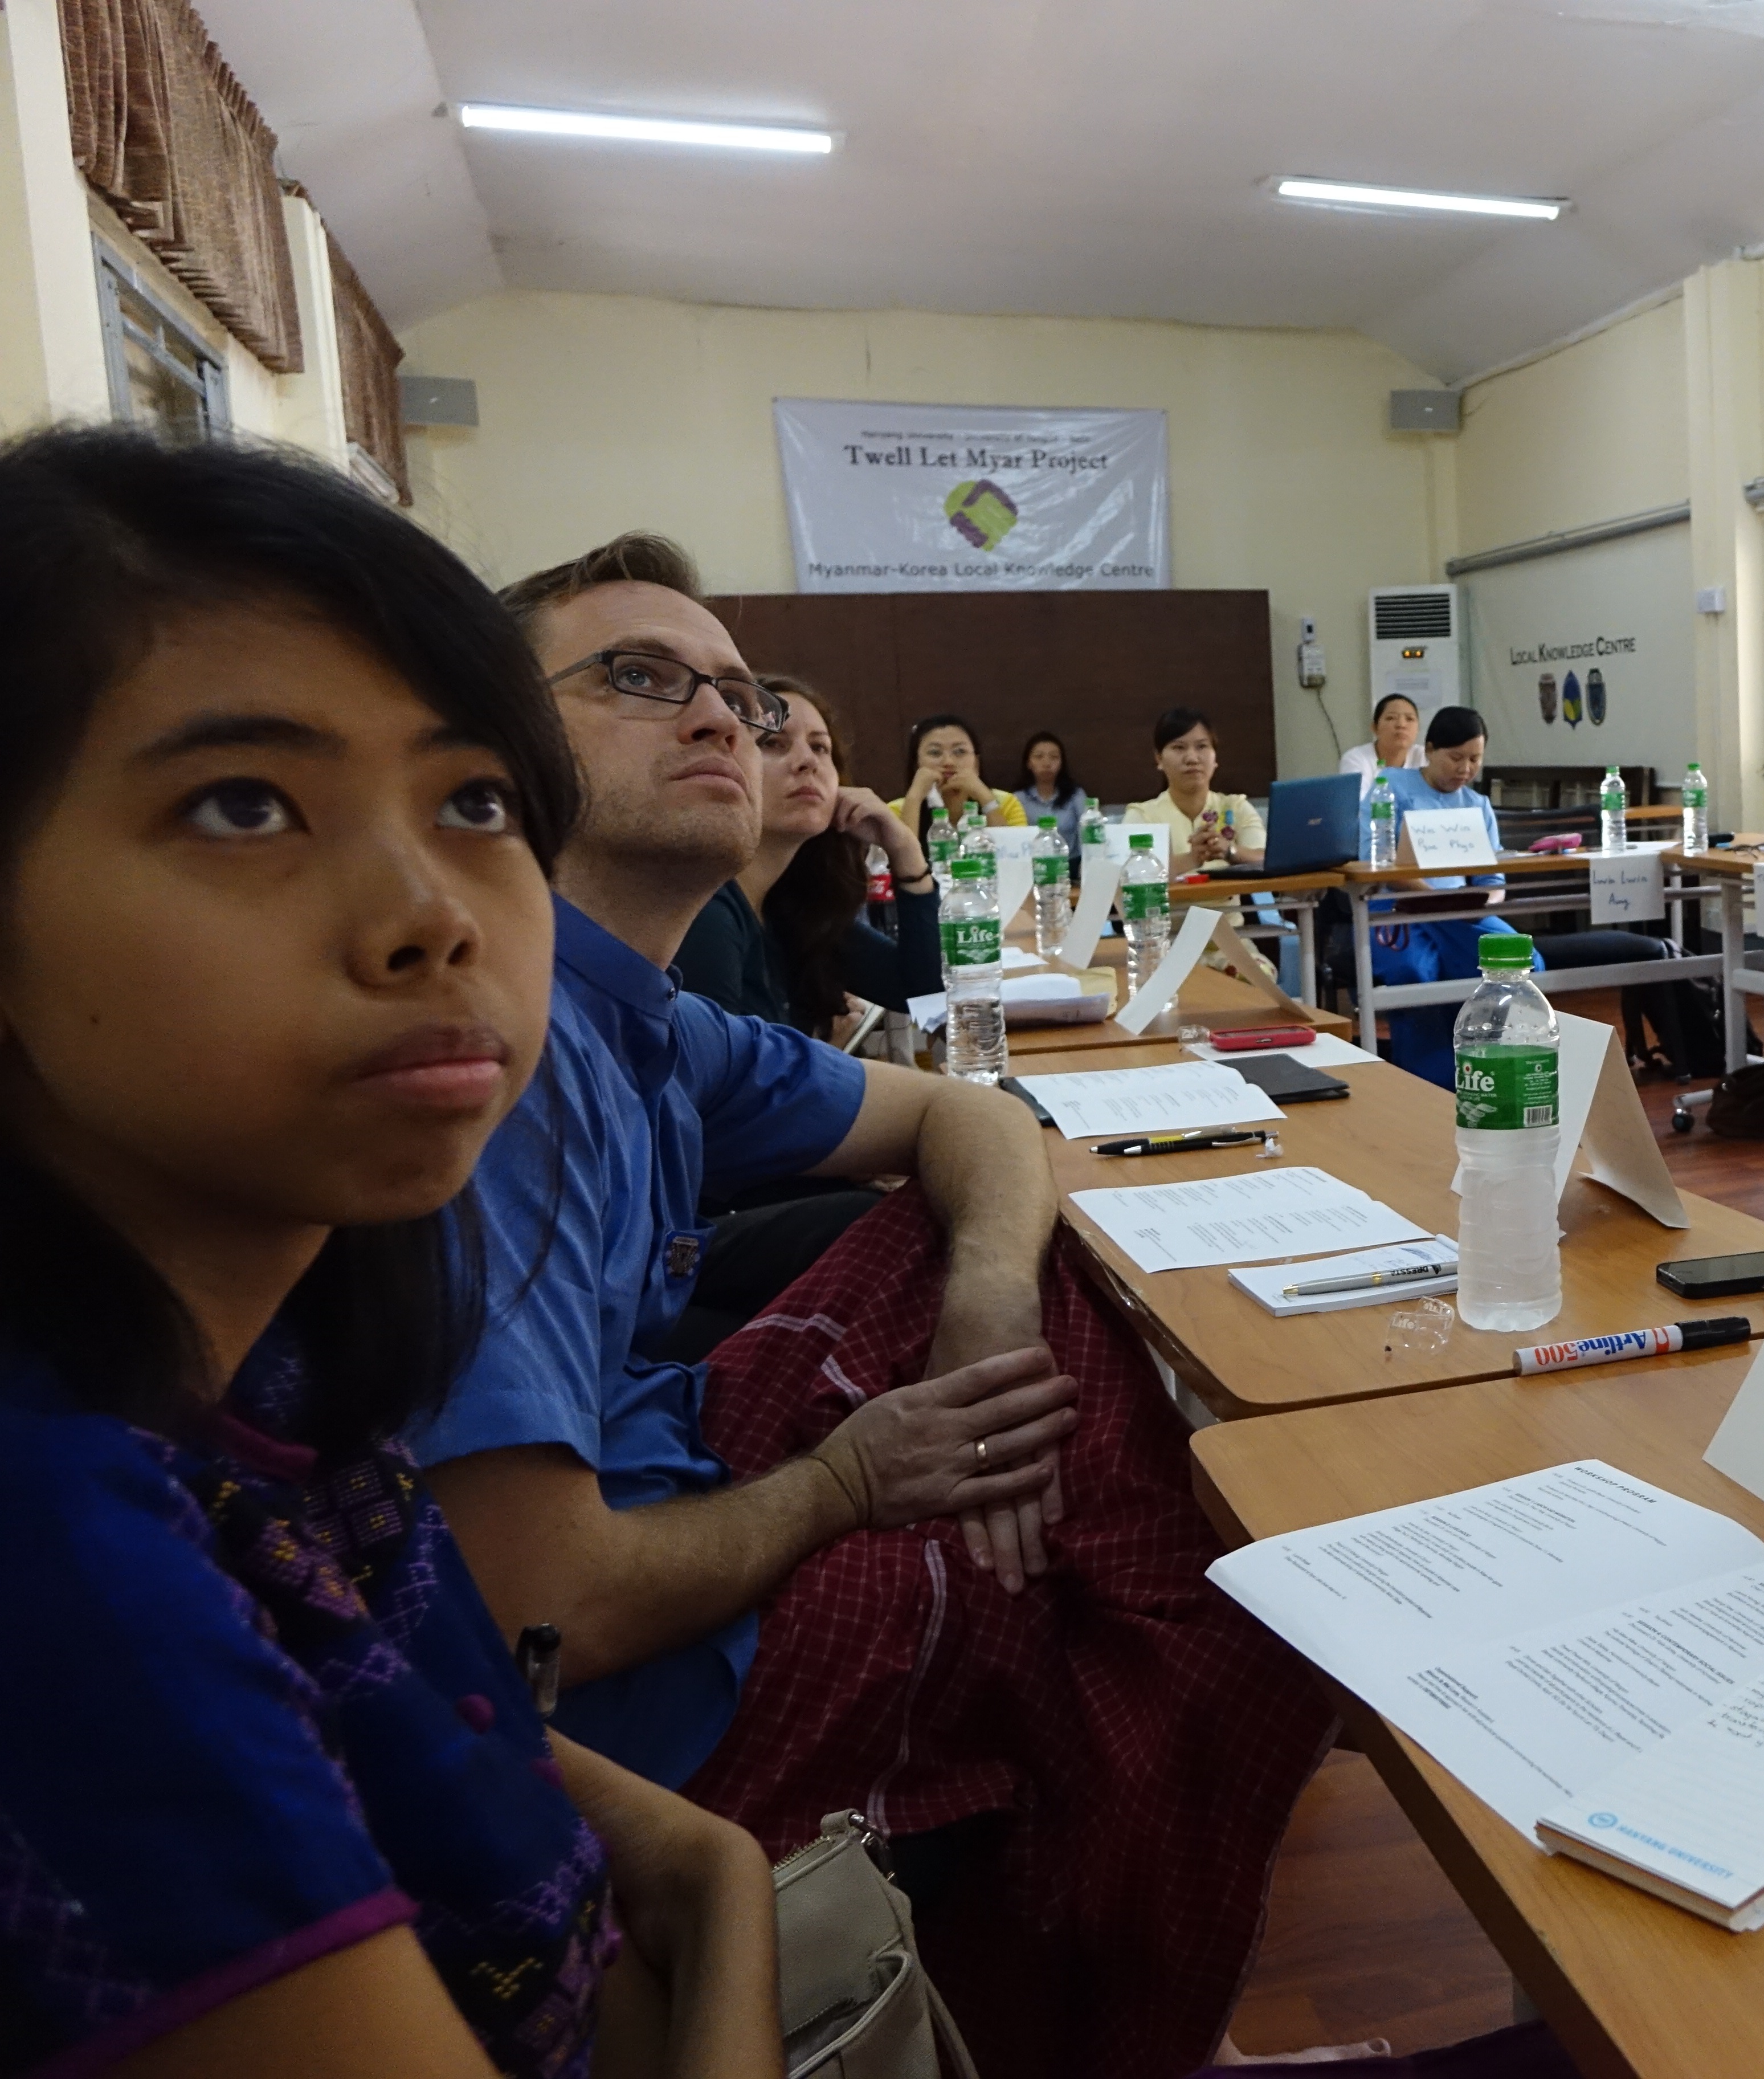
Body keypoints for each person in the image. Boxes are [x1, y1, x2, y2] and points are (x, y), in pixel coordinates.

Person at [418, 533, 1331, 2077]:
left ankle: (1100, 1978)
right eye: (636, 677)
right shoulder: (509, 1068)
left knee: (1029, 1299)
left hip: (678, 1477)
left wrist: (987, 1311)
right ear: (489, 755)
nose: (721, 718)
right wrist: (848, 1484)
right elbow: (546, 1617)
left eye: (738, 692)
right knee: (1174, 1604)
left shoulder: (649, 1019)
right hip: (623, 1704)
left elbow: (974, 1119)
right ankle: (1129, 1997)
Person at [0, 429, 779, 2076]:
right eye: (243, 805)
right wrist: (732, 1912)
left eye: (473, 801)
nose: (433, 912)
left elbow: (446, 1713)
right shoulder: (56, 1551)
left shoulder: (287, 1347)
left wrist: (690, 1860)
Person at [1370, 706, 1693, 1091]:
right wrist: (1437, 901)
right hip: (1400, 912)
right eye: (1456, 758)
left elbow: (1494, 879)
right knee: (1415, 973)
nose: (1465, 769)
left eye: (1475, 759)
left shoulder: (1477, 804)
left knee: (1521, 963)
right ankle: (1427, 1080)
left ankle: (1495, 1068)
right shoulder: (1391, 789)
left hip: (1460, 909)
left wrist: (1484, 902)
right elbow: (1377, 867)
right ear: (1430, 750)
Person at [676, 672, 942, 1037]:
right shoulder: (706, 912)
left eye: (820, 747)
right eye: (773, 743)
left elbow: (924, 995)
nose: (807, 761)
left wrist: (906, 851)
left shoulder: (792, 904)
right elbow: (717, 1071)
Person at [1121, 706, 1268, 869]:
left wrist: (1230, 851)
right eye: (1179, 748)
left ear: (1215, 758)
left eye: (1202, 747)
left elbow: (1267, 858)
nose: (1192, 759)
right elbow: (1132, 872)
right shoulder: (1142, 816)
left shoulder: (1236, 807)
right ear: (1159, 759)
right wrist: (1192, 859)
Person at [892, 711, 1027, 858]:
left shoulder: (1006, 803)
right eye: (935, 753)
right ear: (916, 765)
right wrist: (914, 798)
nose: (948, 762)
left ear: (976, 763)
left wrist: (986, 798)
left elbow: (1013, 860)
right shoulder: (896, 811)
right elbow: (901, 866)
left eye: (960, 752)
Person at [1012, 727, 1087, 855]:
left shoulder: (1076, 796)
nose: (1047, 763)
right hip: (1032, 864)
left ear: (1062, 763)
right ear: (1028, 763)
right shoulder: (1017, 799)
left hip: (1070, 863)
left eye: (1054, 757)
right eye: (1039, 757)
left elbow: (1087, 836)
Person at [1337, 690, 1425, 783]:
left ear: (1418, 729)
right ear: (1375, 728)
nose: (1401, 725)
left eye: (1410, 719)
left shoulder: (1426, 756)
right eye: (1391, 718)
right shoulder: (1356, 759)